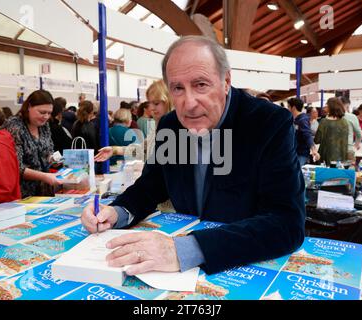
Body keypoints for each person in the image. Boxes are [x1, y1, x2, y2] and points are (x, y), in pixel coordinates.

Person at [82, 35, 305, 275]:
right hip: (179, 269)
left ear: (226, 81)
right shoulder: (171, 126)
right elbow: (151, 186)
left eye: (201, 85)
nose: (189, 103)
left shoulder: (267, 123)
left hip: (244, 264)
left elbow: (287, 222)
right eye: (178, 88)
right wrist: (117, 212)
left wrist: (187, 249)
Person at [3, 89, 62, 198]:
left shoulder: (44, 126)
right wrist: (44, 176)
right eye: (42, 112)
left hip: (43, 191)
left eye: (49, 113)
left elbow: (47, 152)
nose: (46, 117)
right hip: (22, 192)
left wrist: (56, 160)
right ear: (29, 107)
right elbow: (17, 167)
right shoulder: (14, 126)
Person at [314, 97, 349, 165]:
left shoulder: (324, 122)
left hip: (325, 156)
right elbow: (345, 143)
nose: (325, 107)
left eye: (327, 105)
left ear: (331, 107)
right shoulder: (344, 122)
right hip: (340, 157)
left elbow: (317, 140)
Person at [287, 98, 319, 166]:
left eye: (289, 106)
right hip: (295, 152)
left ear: (294, 107)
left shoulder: (302, 120)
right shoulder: (295, 119)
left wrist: (313, 149)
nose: (288, 109)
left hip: (301, 153)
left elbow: (307, 134)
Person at [338, 97, 362, 163]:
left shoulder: (329, 117)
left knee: (333, 171)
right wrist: (356, 145)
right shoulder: (352, 117)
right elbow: (359, 133)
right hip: (348, 148)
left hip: (333, 149)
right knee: (348, 171)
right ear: (347, 105)